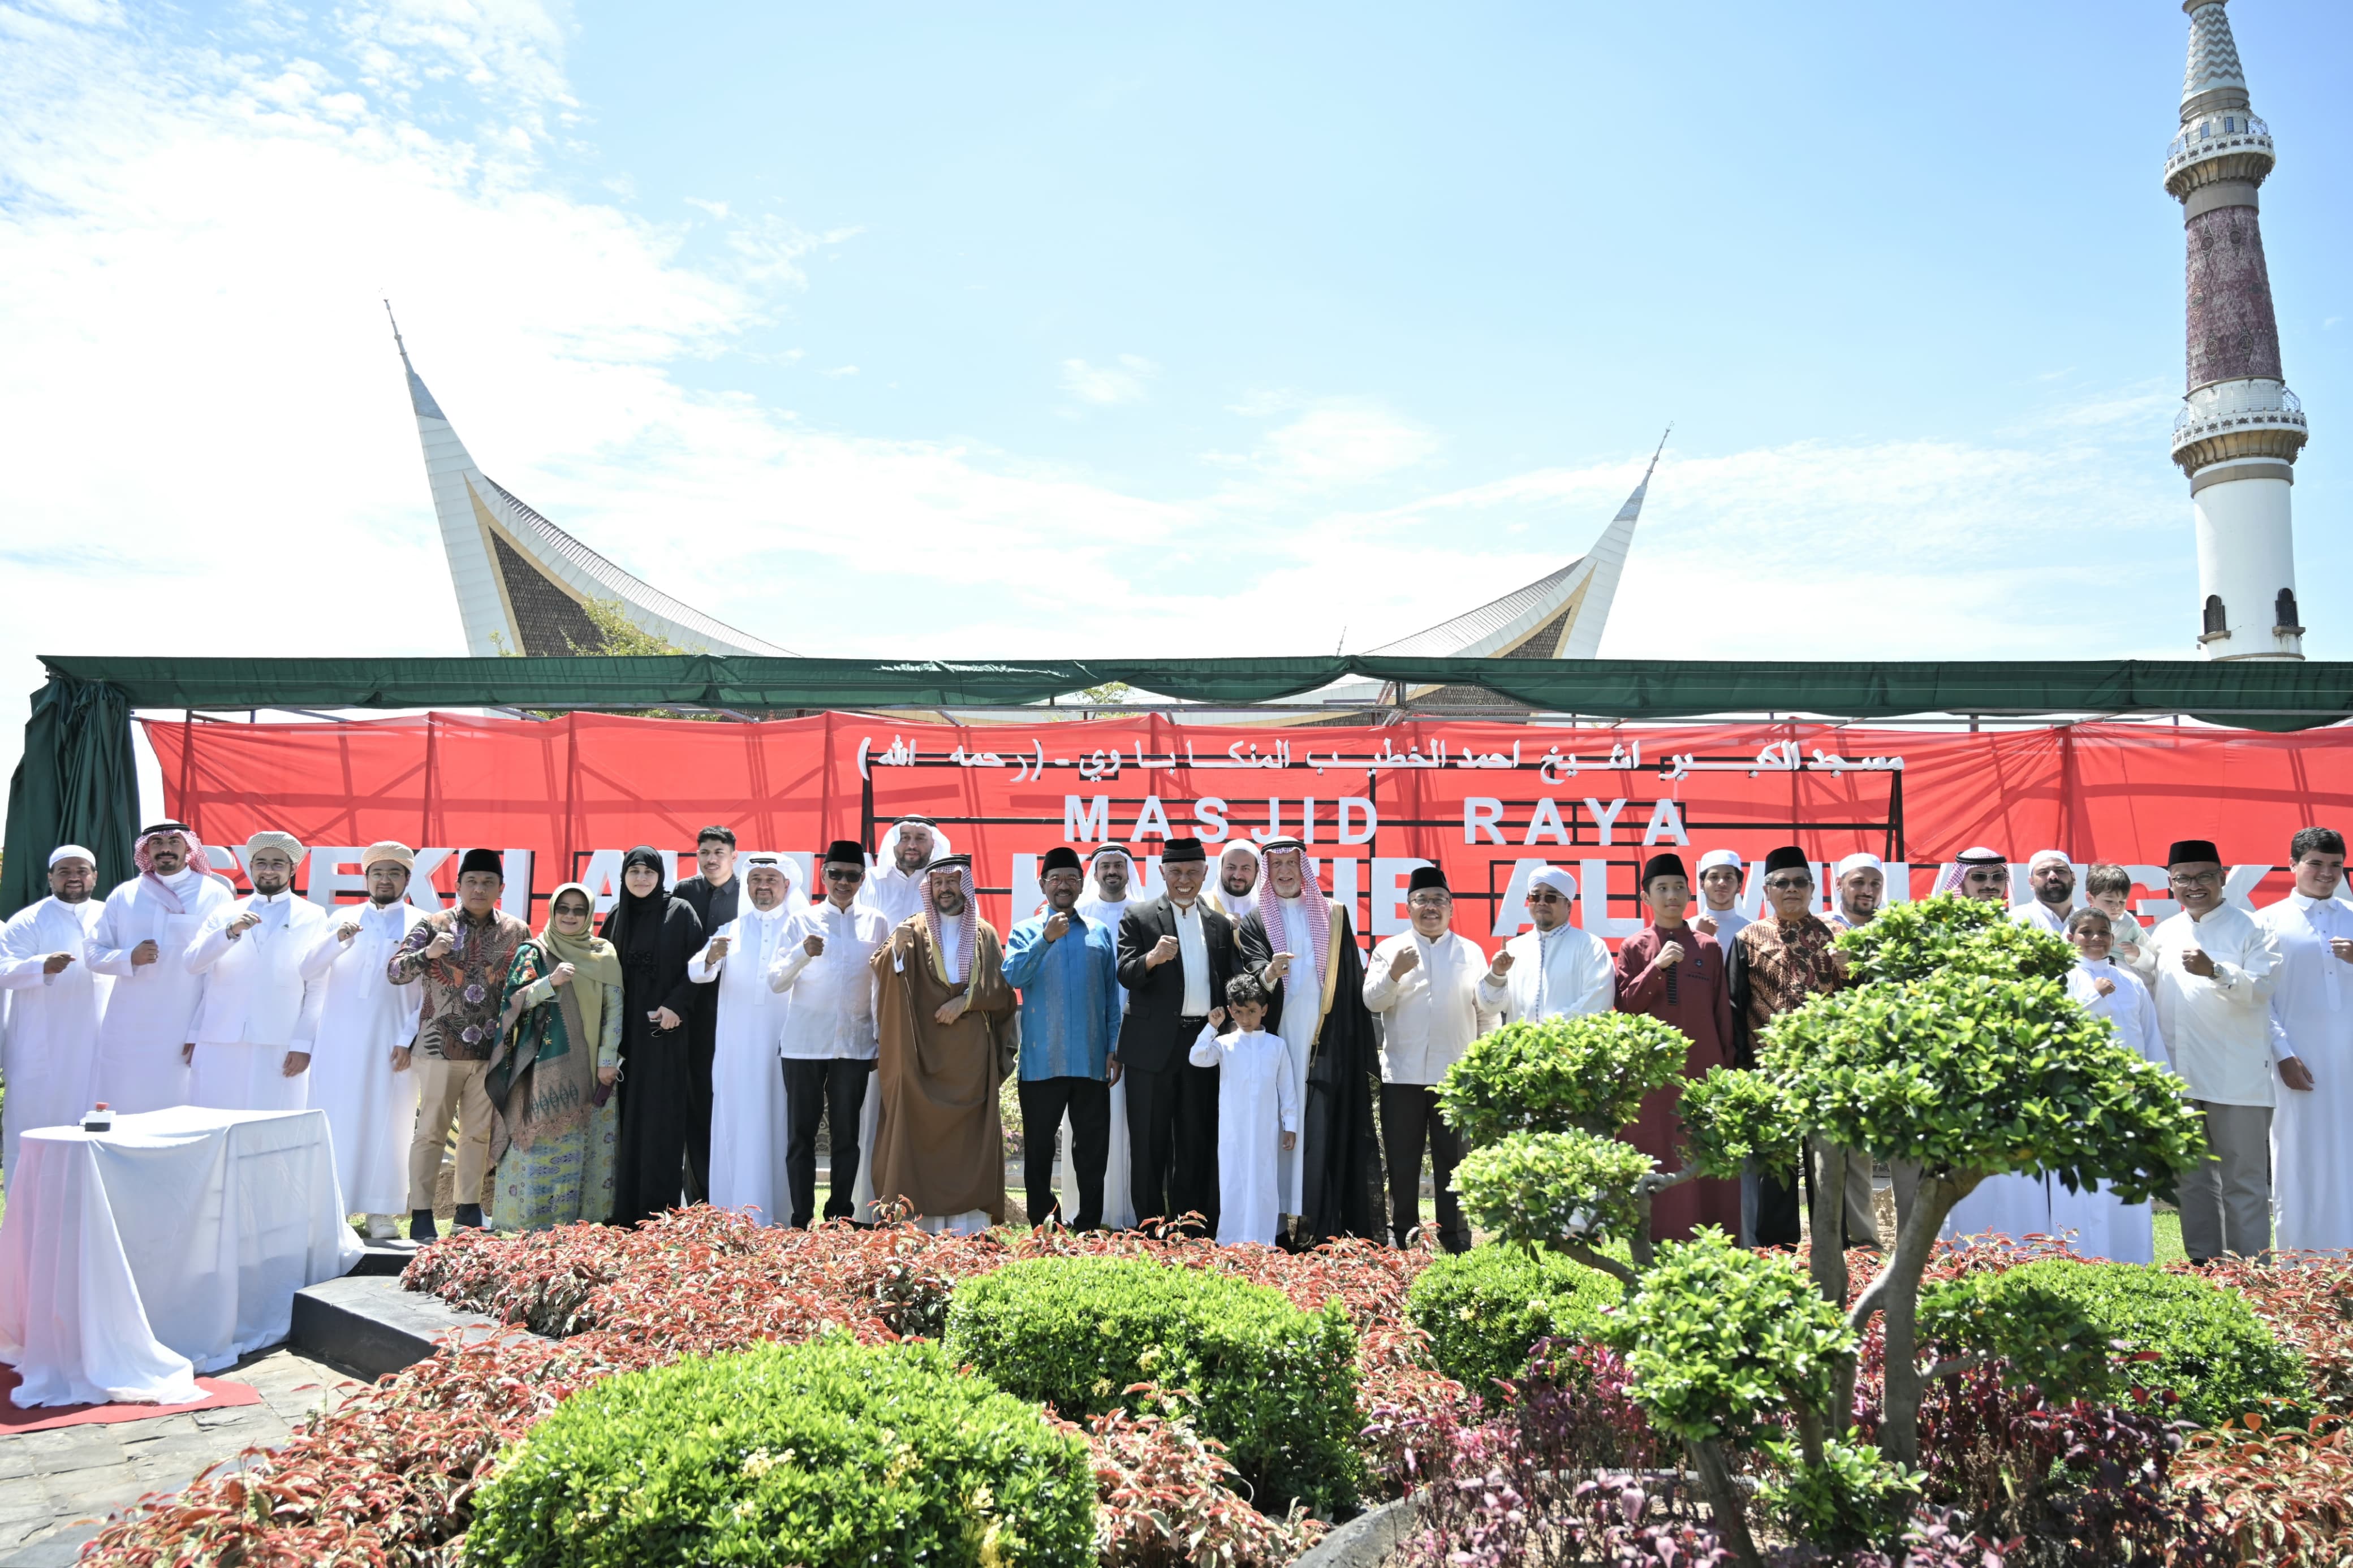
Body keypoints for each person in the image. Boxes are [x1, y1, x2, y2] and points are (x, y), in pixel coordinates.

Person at [1235, 836, 1384, 1245]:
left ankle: (1319, 1223)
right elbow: (1252, 973)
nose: (1285, 872)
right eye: (1276, 865)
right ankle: (1275, 1226)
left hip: (1324, 1042)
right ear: (1267, 871)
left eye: (1291, 863)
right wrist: (1270, 972)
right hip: (1276, 1041)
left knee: (1320, 1129)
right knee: (1275, 1128)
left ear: (1304, 868)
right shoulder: (1255, 920)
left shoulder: (1333, 915)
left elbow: (1349, 981)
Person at [868, 855, 1017, 1233]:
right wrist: (897, 949)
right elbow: (883, 969)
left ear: (964, 885)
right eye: (938, 883)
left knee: (968, 1141)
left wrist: (965, 1002)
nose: (945, 889)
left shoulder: (984, 933)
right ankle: (920, 1225)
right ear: (929, 888)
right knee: (916, 1131)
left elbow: (1001, 991)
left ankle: (968, 1226)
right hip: (921, 1051)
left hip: (969, 1059)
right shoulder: (913, 928)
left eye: (952, 881)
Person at [389, 847, 531, 1239]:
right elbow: (396, 971)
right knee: (430, 1132)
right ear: (457, 885)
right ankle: (421, 1213)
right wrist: (428, 952)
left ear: (501, 888)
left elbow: (528, 984)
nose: (479, 889)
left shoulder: (517, 931)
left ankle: (468, 1211)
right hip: (439, 1050)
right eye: (472, 881)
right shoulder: (433, 923)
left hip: (491, 1052)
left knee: (477, 1135)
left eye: (488, 882)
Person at [2149, 837, 2279, 1262]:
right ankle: (2204, 1263)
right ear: (2171, 883)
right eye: (2183, 878)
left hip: (2236, 1075)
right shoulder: (2165, 932)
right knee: (2191, 1179)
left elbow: (2262, 989)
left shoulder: (2253, 927)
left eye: (2205, 876)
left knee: (2244, 1179)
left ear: (2223, 877)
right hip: (2180, 1075)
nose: (2195, 885)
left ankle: (2252, 1270)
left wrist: (2216, 971)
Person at [1362, 865, 1496, 1254]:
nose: (1431, 907)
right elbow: (1372, 1001)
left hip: (1455, 1075)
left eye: (1439, 900)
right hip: (1402, 1074)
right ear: (1408, 907)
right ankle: (1403, 1234)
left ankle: (1456, 1238)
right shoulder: (1390, 949)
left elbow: (1487, 1013)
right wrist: (1394, 974)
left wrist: (1483, 1064)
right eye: (1422, 900)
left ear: (1451, 907)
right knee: (1402, 1160)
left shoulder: (1471, 951)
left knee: (1454, 1162)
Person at [300, 841, 426, 1239]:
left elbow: (430, 993)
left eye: (394, 873)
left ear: (407, 879)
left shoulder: (423, 923)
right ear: (366, 878)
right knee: (336, 1116)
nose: (385, 880)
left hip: (394, 1040)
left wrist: (408, 1038)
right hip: (338, 1038)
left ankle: (381, 1210)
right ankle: (331, 1207)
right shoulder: (342, 917)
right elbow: (308, 969)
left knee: (391, 1120)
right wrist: (337, 939)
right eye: (378, 873)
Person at [1613, 853, 1741, 1241]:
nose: (1671, 895)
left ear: (1689, 893)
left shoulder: (1708, 947)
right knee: (1653, 1149)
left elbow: (1722, 1015)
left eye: (1678, 888)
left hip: (1701, 1072)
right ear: (1646, 897)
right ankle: (1649, 1238)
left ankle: (1711, 1238)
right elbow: (1626, 1006)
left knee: (1702, 1153)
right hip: (1651, 1077)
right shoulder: (1634, 946)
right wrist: (1657, 967)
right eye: (1662, 888)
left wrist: (1725, 1071)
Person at [1727, 846, 1849, 1250]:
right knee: (1774, 1168)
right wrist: (1744, 1069)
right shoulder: (1748, 938)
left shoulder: (1838, 936)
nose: (1792, 889)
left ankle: (1833, 1255)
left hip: (1827, 1071)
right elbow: (1735, 1005)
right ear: (1767, 890)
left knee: (1828, 1168)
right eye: (1782, 882)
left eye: (1800, 882)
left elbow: (1863, 1001)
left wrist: (1852, 969)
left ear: (1813, 889)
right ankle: (1776, 1255)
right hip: (1769, 1071)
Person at [1116, 837, 1239, 1233]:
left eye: (1192, 872)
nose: (1184, 880)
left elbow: (1230, 981)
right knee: (1149, 1141)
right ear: (1162, 873)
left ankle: (1191, 1226)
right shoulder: (1139, 916)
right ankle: (1150, 1228)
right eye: (1176, 872)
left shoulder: (1220, 924)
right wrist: (1152, 959)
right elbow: (1125, 973)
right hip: (1150, 1047)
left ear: (1205, 874)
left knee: (1195, 1138)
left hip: (1202, 1044)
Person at [484, 882, 623, 1230]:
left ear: (589, 915)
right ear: (552, 911)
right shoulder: (534, 952)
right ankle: (532, 1224)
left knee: (588, 1145)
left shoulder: (604, 954)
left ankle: (582, 1226)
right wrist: (550, 983)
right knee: (538, 1142)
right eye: (563, 909)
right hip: (541, 1071)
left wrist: (607, 1059)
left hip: (594, 1070)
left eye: (579, 910)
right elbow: (512, 1002)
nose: (570, 916)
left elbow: (615, 1009)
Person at [1002, 846, 1123, 1229]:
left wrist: (1113, 1048)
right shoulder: (1025, 930)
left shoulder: (1099, 933)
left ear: (1082, 884)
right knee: (1039, 1148)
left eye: (1071, 878)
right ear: (1043, 885)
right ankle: (1044, 1222)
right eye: (1056, 878)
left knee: (1092, 1149)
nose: (1064, 885)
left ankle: (1088, 1223)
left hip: (1091, 1060)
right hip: (1043, 1061)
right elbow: (1013, 976)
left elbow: (1111, 998)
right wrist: (1045, 939)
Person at [775, 841, 890, 1226]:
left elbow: (881, 986)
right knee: (800, 1136)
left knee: (846, 1136)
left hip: (855, 1046)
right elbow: (776, 981)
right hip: (803, 1045)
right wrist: (801, 953)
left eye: (852, 875)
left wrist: (879, 1038)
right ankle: (800, 1218)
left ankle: (839, 1217)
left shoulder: (876, 922)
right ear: (823, 875)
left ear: (863, 879)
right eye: (836, 874)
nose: (844, 882)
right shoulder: (800, 921)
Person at [2046, 908, 2166, 1264]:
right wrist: (2093, 997)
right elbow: (2052, 1033)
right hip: (2078, 1099)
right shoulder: (2061, 979)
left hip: (2128, 1099)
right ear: (2071, 938)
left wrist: (2159, 1091)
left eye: (2103, 932)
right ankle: (2079, 1258)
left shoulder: (2131, 982)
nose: (2096, 939)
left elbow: (2151, 1039)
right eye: (2087, 932)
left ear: (2113, 939)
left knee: (2125, 1179)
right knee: (2081, 1182)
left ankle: (2130, 1258)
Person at [88, 822, 233, 1112]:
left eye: (174, 842)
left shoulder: (215, 895)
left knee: (178, 1100)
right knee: (124, 1098)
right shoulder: (124, 895)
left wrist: (201, 1028)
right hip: (128, 1023)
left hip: (183, 1021)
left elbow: (223, 970)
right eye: (157, 843)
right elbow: (93, 953)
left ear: (189, 848)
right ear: (146, 850)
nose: (166, 849)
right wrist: (129, 957)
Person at [185, 831, 328, 1112]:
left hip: (278, 1040)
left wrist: (303, 1044)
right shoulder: (225, 914)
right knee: (216, 1117)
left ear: (293, 869)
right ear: (251, 867)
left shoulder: (312, 915)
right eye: (261, 863)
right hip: (221, 1036)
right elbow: (194, 964)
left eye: (278, 864)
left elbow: (317, 986)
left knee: (272, 1120)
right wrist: (229, 932)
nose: (268, 870)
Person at [2259, 827, 2353, 1253]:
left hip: (2348, 1058)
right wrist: (2283, 1053)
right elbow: (2259, 998)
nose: (2326, 873)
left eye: (2336, 865)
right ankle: (2300, 1261)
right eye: (2316, 863)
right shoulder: (2266, 921)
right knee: (2299, 1157)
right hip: (2298, 1060)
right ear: (2293, 864)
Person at [689, 853, 796, 1225]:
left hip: (783, 1046)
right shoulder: (731, 929)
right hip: (737, 1049)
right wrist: (710, 957)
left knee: (779, 1123)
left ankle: (780, 1216)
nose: (763, 886)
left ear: (786, 885)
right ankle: (736, 1216)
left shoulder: (799, 927)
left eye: (771, 879)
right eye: (756, 879)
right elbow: (698, 971)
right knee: (738, 1123)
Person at [603, 845, 706, 1226]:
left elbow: (699, 966)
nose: (642, 878)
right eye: (635, 871)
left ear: (661, 875)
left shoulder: (680, 912)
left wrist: (676, 1006)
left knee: (661, 1118)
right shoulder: (617, 915)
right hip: (622, 1036)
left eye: (649, 871)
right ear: (624, 876)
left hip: (665, 1033)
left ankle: (658, 1210)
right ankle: (622, 1210)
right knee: (624, 1119)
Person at [0, 846, 110, 1180]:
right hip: (41, 1042)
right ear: (50, 878)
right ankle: (27, 1198)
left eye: (81, 871)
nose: (73, 878)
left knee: (95, 1121)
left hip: (99, 1041)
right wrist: (41, 966)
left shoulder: (110, 916)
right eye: (64, 871)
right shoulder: (28, 920)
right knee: (33, 1123)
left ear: (94, 876)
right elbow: (4, 969)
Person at [1190, 976, 1298, 1247]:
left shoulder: (1276, 1045)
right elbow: (1197, 1057)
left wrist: (1291, 1125)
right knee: (1233, 1179)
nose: (1245, 1018)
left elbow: (1287, 1088)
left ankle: (1263, 1239)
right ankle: (1230, 1240)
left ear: (1264, 1009)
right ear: (1230, 1011)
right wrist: (1211, 1027)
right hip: (1233, 1129)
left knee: (1264, 1180)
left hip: (1265, 1129)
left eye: (1252, 1011)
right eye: (1238, 1012)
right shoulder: (1225, 1044)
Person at [1070, 843, 1140, 1228]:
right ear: (1095, 873)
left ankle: (1125, 1210)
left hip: (1137, 1030)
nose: (1112, 871)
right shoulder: (1078, 914)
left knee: (1130, 1121)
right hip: (1089, 1033)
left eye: (1119, 865)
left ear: (1129, 871)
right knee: (1089, 1122)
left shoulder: (1144, 914)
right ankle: (1084, 1209)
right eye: (1105, 866)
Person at [673, 827, 743, 1204]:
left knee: (733, 1102)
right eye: (704, 852)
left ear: (734, 855)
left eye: (719, 852)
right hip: (692, 1014)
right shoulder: (684, 893)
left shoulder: (750, 893)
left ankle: (737, 1192)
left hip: (738, 1014)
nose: (711, 859)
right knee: (697, 1102)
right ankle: (700, 1197)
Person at [1478, 865, 1614, 1024]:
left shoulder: (1591, 947)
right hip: (1521, 1041)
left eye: (1550, 897)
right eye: (1535, 897)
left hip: (1570, 1040)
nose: (1541, 903)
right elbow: (1490, 1007)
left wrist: (1546, 1030)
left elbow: (1598, 1003)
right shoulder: (1514, 949)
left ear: (1568, 905)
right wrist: (1497, 975)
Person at [863, 816, 939, 928]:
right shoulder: (870, 879)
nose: (912, 845)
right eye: (905, 838)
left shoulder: (944, 883)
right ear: (894, 841)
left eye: (920, 838)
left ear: (933, 843)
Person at [2085, 863, 2156, 977]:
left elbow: (2152, 962)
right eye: (2109, 901)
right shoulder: (2081, 922)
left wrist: (2137, 953)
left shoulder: (2130, 924)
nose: (2116, 907)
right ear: (2090, 898)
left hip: (2125, 978)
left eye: (2122, 902)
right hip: (2091, 977)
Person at [1691, 849, 1752, 954]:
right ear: (1702, 884)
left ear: (1739, 886)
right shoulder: (1687, 927)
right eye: (1714, 877)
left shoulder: (1752, 930)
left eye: (1728, 878)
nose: (1721, 883)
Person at [2009, 850, 2078, 934]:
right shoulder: (2019, 918)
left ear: (2073, 878)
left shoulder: (2087, 918)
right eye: (2043, 872)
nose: (2053, 876)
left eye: (2060, 871)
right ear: (2032, 883)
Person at [1205, 841, 1261, 925]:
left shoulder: (1267, 912)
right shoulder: (1202, 904)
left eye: (1246, 869)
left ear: (1257, 871)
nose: (1237, 876)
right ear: (1221, 868)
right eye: (1231, 867)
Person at [1829, 852, 1886, 932]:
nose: (1867, 891)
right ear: (1839, 884)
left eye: (1875, 884)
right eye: (1859, 882)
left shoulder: (1895, 930)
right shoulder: (1818, 927)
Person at [1933, 846, 2010, 902]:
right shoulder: (1944, 918)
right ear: (1961, 880)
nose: (1990, 885)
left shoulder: (2013, 918)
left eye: (1998, 876)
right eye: (1979, 877)